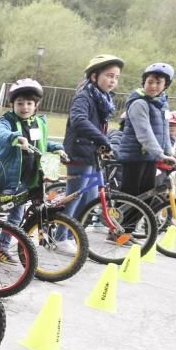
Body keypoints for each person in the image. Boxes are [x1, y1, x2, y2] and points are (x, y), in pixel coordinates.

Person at [0, 78, 68, 261]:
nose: (25, 107)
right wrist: (15, 138)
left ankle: (2, 248)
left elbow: (42, 143)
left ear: (36, 105)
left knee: (16, 218)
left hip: (30, 179)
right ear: (12, 104)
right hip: (9, 178)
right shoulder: (7, 120)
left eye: (29, 103)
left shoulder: (38, 123)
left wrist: (57, 148)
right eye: (20, 103)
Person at [59, 54, 124, 252]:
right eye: (109, 75)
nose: (113, 81)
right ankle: (61, 237)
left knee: (89, 199)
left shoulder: (102, 98)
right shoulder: (84, 96)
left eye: (116, 77)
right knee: (75, 196)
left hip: (92, 154)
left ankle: (72, 234)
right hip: (79, 153)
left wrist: (103, 143)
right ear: (94, 76)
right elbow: (79, 120)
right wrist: (102, 139)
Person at [116, 63, 176, 200]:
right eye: (150, 82)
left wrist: (170, 154)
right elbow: (144, 133)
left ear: (165, 85)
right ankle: (122, 222)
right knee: (130, 197)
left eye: (158, 83)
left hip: (150, 156)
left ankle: (140, 221)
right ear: (144, 82)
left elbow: (164, 132)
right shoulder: (139, 103)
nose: (153, 86)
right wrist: (161, 155)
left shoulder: (162, 104)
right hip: (134, 157)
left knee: (147, 195)